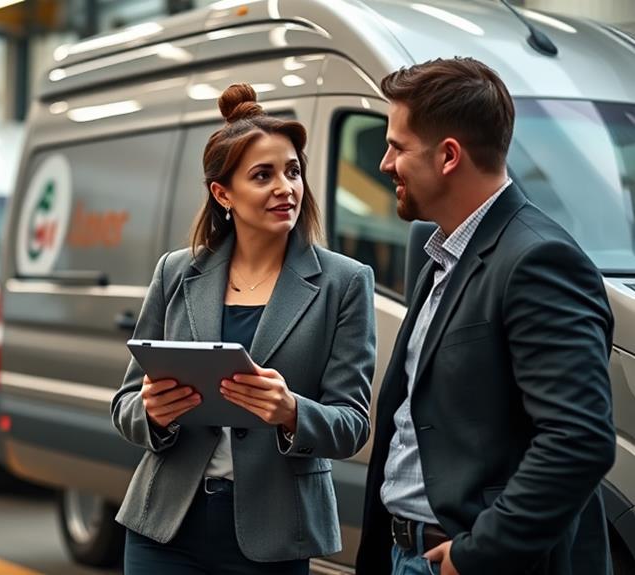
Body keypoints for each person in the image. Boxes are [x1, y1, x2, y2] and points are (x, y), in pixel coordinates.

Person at [356, 58, 615, 575]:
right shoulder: (438, 250)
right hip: (405, 553)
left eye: (398, 146)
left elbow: (578, 441)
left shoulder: (538, 260)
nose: (384, 163)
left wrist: (477, 555)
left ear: (449, 156)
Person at [111, 83, 376, 574]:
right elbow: (125, 405)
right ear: (222, 193)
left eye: (293, 171)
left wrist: (292, 410)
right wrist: (153, 413)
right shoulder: (177, 272)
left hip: (274, 537)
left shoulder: (345, 282)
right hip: (165, 527)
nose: (286, 187)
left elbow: (353, 425)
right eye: (263, 175)